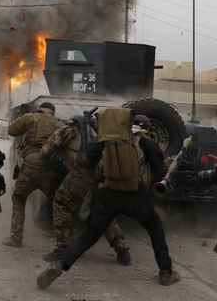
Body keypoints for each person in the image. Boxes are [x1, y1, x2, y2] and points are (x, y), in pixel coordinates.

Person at [37, 109, 179, 289]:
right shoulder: (147, 143)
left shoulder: (105, 142)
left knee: (89, 235)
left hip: (107, 195)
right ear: (146, 128)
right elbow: (160, 176)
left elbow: (88, 161)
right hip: (135, 197)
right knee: (155, 228)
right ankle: (166, 273)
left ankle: (59, 266)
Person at [39, 114, 131, 264]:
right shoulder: (101, 134)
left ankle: (63, 248)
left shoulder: (67, 131)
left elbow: (45, 151)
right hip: (101, 177)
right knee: (103, 212)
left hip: (80, 175)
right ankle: (122, 250)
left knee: (61, 205)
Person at [1, 101, 65, 248]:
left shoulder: (30, 117)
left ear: (40, 109)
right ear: (52, 111)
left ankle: (16, 238)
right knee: (59, 203)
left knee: (19, 198)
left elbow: (11, 130)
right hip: (50, 168)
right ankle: (62, 243)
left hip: (29, 166)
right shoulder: (60, 125)